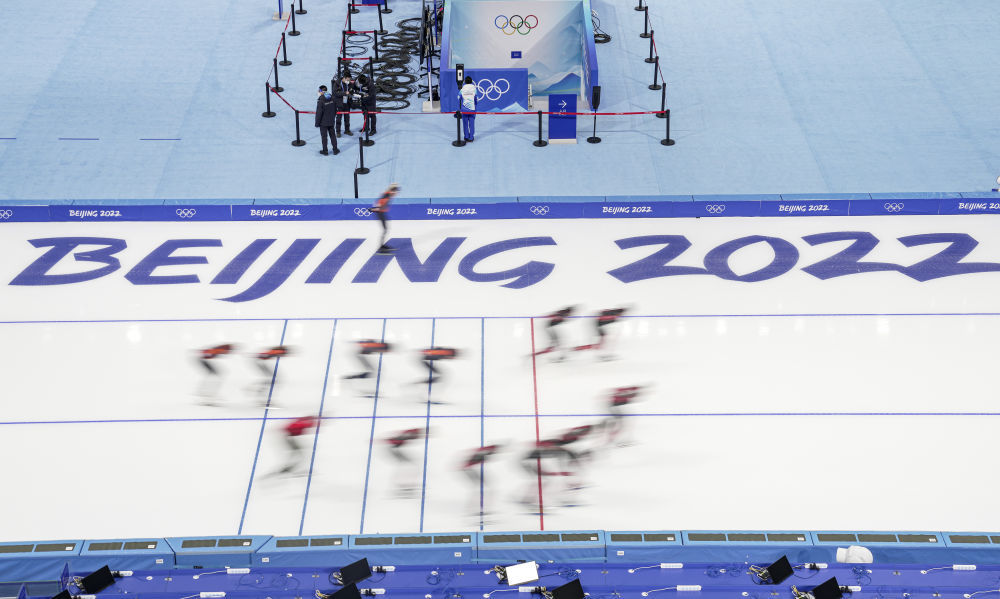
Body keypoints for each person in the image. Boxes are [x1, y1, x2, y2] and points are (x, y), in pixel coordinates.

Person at [387, 427, 425, 496]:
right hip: (393, 449)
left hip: (395, 448)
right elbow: (396, 439)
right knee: (408, 466)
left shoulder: (412, 433)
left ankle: (404, 485)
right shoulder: (411, 433)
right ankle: (403, 485)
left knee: (409, 465)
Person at [372, 183, 400, 253]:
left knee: (385, 229)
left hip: (381, 212)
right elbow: (378, 204)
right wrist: (378, 209)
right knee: (385, 229)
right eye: (396, 191)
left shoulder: (388, 194)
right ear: (392, 190)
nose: (397, 193)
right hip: (380, 213)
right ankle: (381, 247)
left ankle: (382, 245)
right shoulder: (387, 195)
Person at [314, 85, 340, 155]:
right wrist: (332, 117)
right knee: (333, 135)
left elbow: (319, 113)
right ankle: (335, 149)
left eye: (319, 91)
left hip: (323, 123)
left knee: (324, 137)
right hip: (331, 121)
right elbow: (335, 109)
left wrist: (317, 123)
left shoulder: (321, 100)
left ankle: (325, 151)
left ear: (322, 91)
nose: (318, 92)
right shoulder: (332, 98)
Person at [335, 71, 356, 137]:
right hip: (339, 103)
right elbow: (335, 93)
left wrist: (351, 92)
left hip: (347, 103)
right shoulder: (337, 83)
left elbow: (352, 90)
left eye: (349, 79)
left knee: (347, 117)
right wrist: (344, 93)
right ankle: (338, 132)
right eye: (348, 79)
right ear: (344, 78)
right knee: (339, 118)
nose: (349, 81)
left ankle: (347, 130)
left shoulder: (349, 83)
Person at [459, 75, 477, 142]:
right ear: (472, 82)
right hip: (472, 109)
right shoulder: (474, 89)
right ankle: (471, 137)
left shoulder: (462, 90)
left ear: (465, 82)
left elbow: (458, 98)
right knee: (472, 124)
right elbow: (476, 99)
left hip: (464, 109)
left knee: (465, 123)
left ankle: (466, 137)